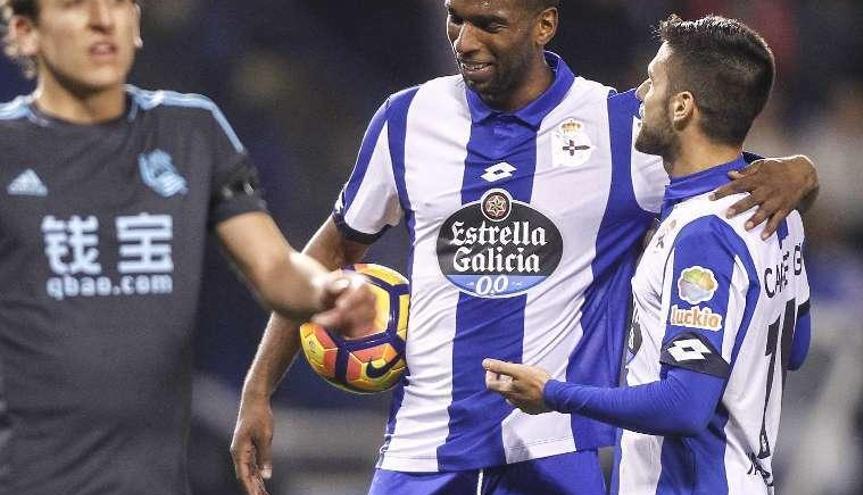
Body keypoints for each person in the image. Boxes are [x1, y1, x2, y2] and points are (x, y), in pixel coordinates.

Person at [231, 1, 819, 494]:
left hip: (554, 452)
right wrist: (258, 390)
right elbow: (328, 255)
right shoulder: (406, 120)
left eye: (489, 23)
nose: (465, 40)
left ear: (544, 26)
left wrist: (800, 174)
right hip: (421, 448)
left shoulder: (620, 130)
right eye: (454, 19)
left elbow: (718, 178)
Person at [0, 1, 375, 494]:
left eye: (118, 3)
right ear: (26, 33)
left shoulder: (191, 133)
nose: (102, 19)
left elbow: (275, 267)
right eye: (75, 5)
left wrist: (327, 290)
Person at [485, 14, 810, 494]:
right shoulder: (779, 213)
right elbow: (795, 348)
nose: (639, 94)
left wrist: (552, 393)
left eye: (652, 80)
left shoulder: (702, 233)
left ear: (682, 107)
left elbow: (685, 404)